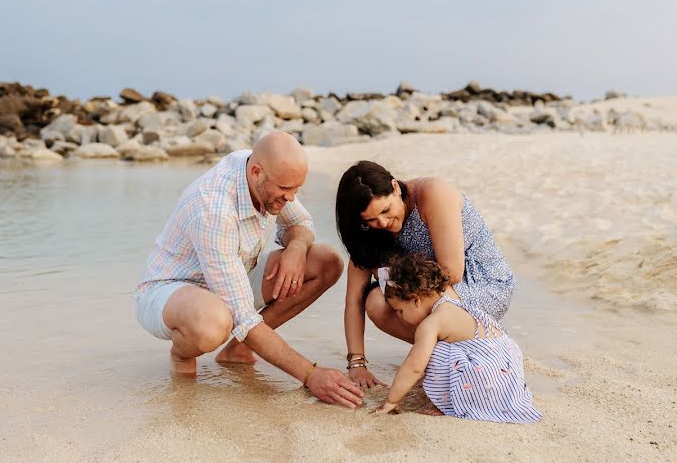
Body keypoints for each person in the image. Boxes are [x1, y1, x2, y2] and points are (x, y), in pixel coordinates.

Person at [135, 131, 364, 408]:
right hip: (171, 290)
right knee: (213, 322)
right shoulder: (213, 209)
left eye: (297, 189)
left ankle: (237, 351)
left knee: (326, 261)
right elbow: (242, 317)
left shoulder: (267, 175)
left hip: (235, 275)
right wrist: (311, 374)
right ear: (257, 172)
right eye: (285, 190)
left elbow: (301, 223)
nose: (291, 198)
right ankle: (182, 356)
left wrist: (295, 249)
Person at [335, 161, 515, 390]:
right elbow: (353, 300)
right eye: (370, 220)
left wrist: (391, 278)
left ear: (395, 187)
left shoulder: (432, 193)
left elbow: (453, 273)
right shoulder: (370, 232)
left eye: (385, 210)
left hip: (482, 281)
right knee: (376, 301)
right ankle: (446, 358)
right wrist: (357, 364)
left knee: (408, 297)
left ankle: (465, 354)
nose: (382, 223)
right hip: (429, 288)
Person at [371, 251, 541, 423]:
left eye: (399, 311)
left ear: (416, 300)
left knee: (433, 352)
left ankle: (451, 404)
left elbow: (414, 367)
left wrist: (391, 401)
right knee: (445, 349)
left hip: (487, 378)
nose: (399, 317)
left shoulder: (431, 323)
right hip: (508, 372)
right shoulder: (454, 304)